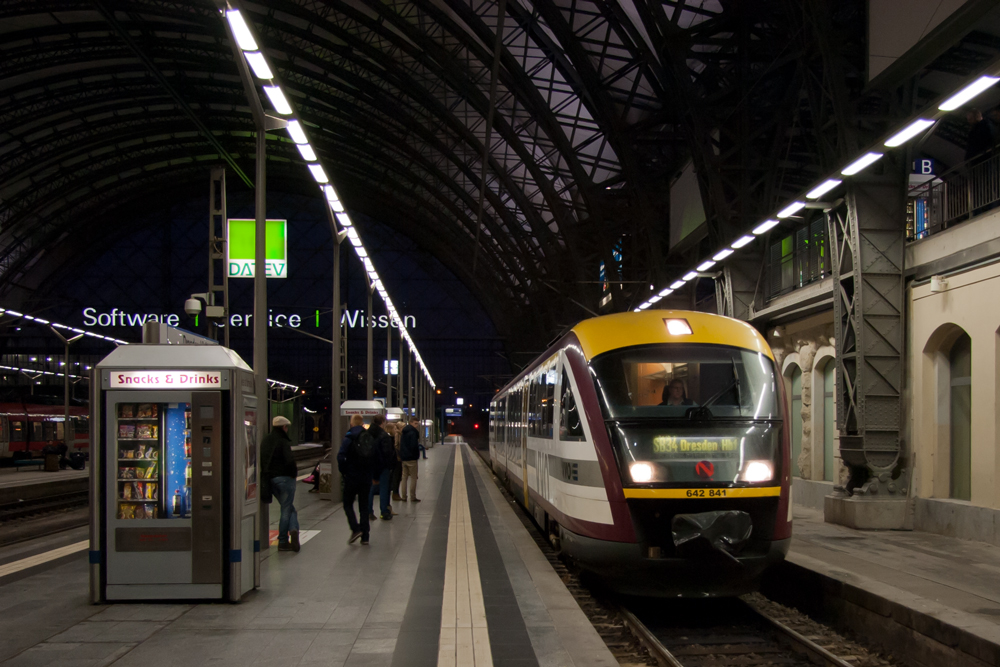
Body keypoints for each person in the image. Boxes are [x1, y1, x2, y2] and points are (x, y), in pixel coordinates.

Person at [261, 416, 299, 552]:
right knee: (286, 509)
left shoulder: (266, 440)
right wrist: (294, 473)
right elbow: (289, 461)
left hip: (271, 480)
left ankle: (294, 529)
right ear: (284, 427)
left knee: (289, 508)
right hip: (285, 479)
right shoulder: (283, 441)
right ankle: (283, 540)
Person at [337, 415, 374, 545]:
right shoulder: (368, 437)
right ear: (362, 424)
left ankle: (355, 528)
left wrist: (344, 471)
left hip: (352, 476)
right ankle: (365, 537)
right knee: (364, 506)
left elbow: (341, 457)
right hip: (366, 477)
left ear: (351, 424)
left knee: (347, 503)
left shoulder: (349, 437)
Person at [367, 415, 396, 522]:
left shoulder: (367, 434)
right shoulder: (384, 436)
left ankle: (369, 511)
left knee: (370, 489)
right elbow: (387, 453)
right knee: (384, 489)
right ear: (382, 423)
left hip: (369, 466)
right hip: (383, 467)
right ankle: (384, 512)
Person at [399, 417, 422, 502]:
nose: (417, 425)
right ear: (411, 422)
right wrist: (416, 455)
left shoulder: (404, 431)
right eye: (415, 423)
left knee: (404, 477)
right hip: (411, 458)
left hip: (404, 458)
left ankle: (404, 496)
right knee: (413, 477)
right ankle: (412, 496)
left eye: (417, 424)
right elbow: (413, 446)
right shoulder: (413, 433)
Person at [390, 422, 404, 502]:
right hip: (398, 458)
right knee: (397, 476)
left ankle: (396, 493)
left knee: (398, 476)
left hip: (398, 457)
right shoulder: (398, 434)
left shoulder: (400, 434)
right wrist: (399, 454)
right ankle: (395, 493)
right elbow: (396, 445)